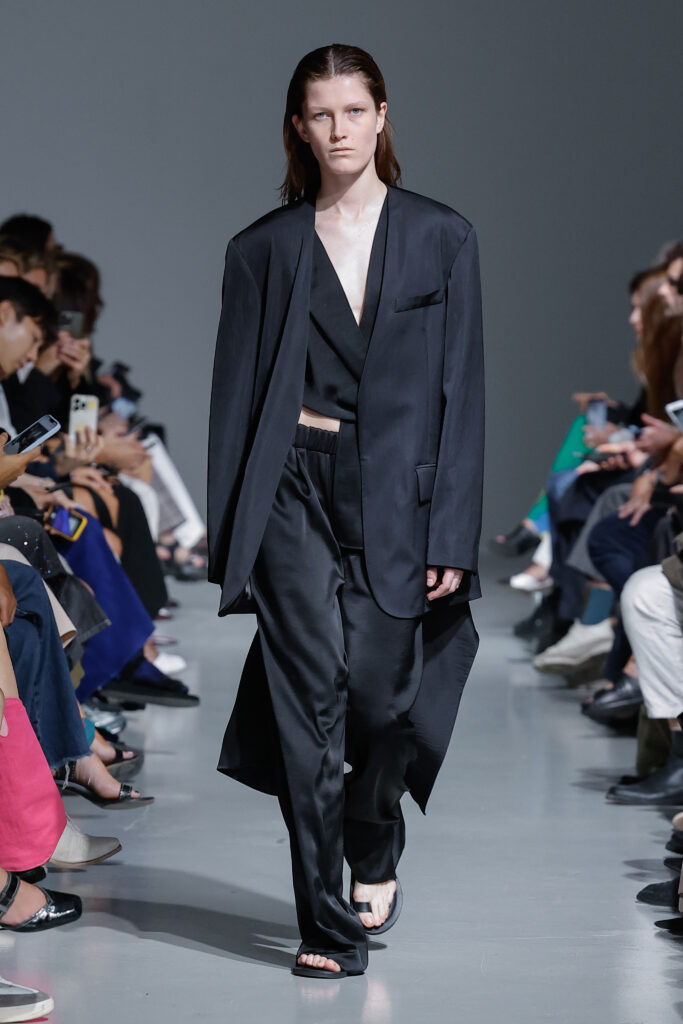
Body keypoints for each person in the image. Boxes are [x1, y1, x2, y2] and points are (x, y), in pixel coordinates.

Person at [208, 44, 484, 978]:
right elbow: (234, 403)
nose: (338, 130)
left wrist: (452, 532)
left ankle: (373, 838)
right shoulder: (261, 249)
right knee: (309, 704)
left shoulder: (443, 237)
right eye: (320, 114)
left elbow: (462, 394)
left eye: (353, 111)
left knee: (379, 701)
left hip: (398, 497)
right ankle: (324, 923)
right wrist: (235, 540)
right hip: (291, 484)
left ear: (381, 116)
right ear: (298, 126)